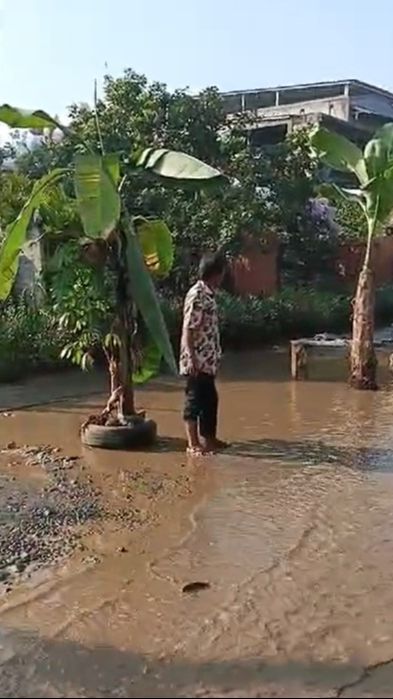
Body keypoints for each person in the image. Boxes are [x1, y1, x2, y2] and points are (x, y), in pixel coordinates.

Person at [180, 252, 228, 455]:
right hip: (197, 360)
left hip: (207, 360)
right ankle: (192, 444)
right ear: (215, 273)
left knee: (210, 400)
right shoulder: (197, 295)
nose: (223, 277)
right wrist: (191, 358)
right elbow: (188, 329)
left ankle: (209, 439)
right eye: (222, 273)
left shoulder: (208, 294)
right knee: (194, 401)